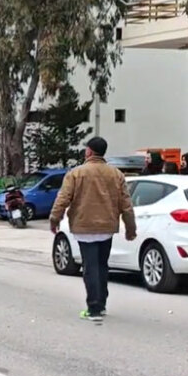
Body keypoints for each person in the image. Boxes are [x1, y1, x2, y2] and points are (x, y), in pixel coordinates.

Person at [49, 137, 136, 322]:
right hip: (107, 227)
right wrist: (130, 228)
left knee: (90, 267)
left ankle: (94, 308)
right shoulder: (116, 174)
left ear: (89, 151)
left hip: (84, 226)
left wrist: (54, 219)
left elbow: (62, 199)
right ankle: (101, 304)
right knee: (102, 266)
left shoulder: (76, 173)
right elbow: (126, 204)